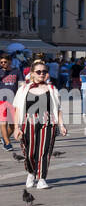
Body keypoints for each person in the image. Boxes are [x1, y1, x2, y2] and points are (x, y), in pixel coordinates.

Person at [14, 61, 66, 189]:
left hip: (48, 123)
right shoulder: (24, 89)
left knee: (44, 151)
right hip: (28, 122)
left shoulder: (52, 89)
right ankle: (31, 172)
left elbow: (58, 108)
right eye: (38, 72)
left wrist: (61, 125)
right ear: (32, 74)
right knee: (29, 152)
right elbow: (18, 109)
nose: (42, 74)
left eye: (44, 72)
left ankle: (42, 178)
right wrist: (16, 128)